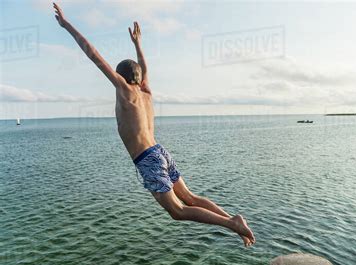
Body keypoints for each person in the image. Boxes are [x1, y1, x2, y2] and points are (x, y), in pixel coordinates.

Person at [53, 3, 255, 247]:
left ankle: (232, 223)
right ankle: (233, 221)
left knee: (177, 211)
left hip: (148, 158)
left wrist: (66, 26)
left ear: (122, 78)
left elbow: (93, 54)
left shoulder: (126, 92)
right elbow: (144, 68)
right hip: (160, 151)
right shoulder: (146, 91)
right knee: (190, 198)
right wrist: (138, 44)